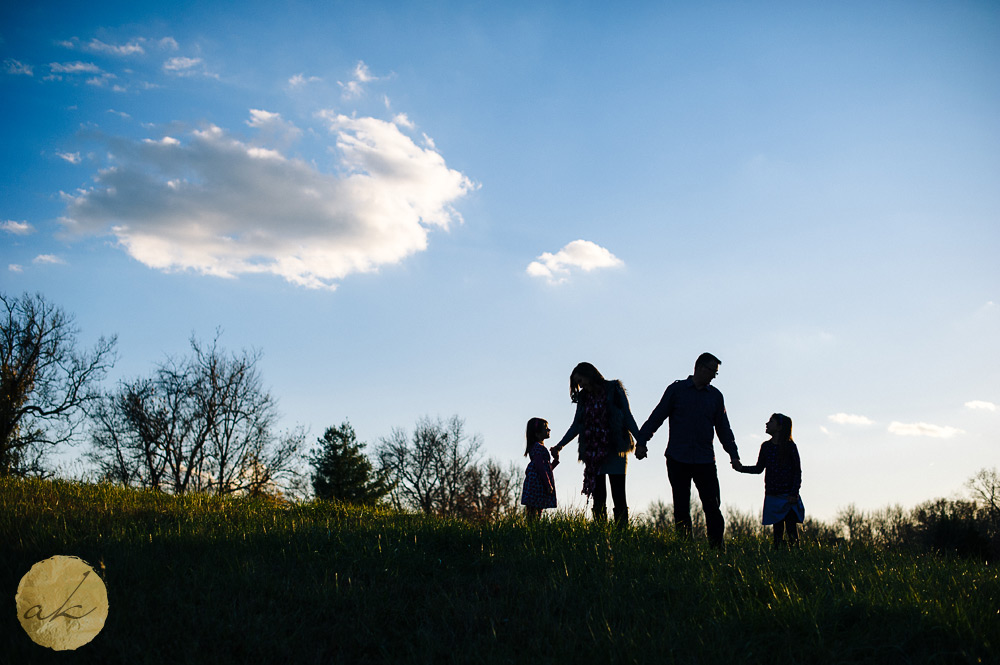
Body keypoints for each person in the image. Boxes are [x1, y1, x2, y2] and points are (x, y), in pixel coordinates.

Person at [635, 353, 741, 548]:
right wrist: (642, 442)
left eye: (716, 374)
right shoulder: (676, 390)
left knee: (712, 506)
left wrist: (733, 455)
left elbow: (724, 429)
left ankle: (717, 550)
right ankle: (684, 549)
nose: (713, 377)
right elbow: (657, 417)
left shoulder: (716, 397)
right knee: (682, 508)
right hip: (678, 458)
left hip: (705, 460)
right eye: (712, 372)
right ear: (699, 368)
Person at [551, 362, 640, 528]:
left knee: (619, 494)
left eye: (581, 380)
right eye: (577, 383)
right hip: (593, 454)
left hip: (615, 450)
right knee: (599, 497)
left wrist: (640, 441)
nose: (581, 385)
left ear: (590, 375)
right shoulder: (584, 398)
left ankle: (622, 534)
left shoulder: (614, 389)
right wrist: (560, 445)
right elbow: (577, 425)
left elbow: (627, 416)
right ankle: (601, 533)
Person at [735, 413, 804, 548]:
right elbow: (759, 468)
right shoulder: (766, 447)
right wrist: (741, 468)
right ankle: (778, 557)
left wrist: (794, 493)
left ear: (779, 427)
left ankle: (796, 557)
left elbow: (797, 471)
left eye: (771, 422)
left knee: (791, 531)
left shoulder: (790, 447)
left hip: (788, 497)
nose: (767, 424)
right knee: (777, 533)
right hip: (773, 496)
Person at [521, 418, 559, 521]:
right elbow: (540, 468)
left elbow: (546, 469)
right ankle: (531, 531)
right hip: (537, 485)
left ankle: (533, 531)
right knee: (534, 511)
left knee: (535, 510)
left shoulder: (537, 448)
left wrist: (555, 460)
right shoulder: (538, 448)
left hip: (537, 484)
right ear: (537, 434)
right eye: (546, 428)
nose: (549, 430)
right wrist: (548, 485)